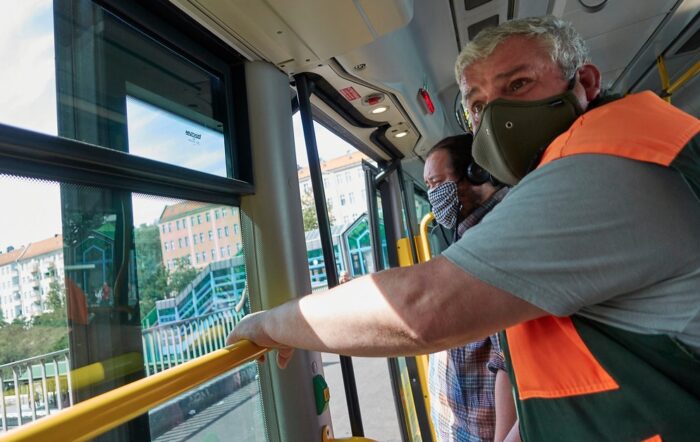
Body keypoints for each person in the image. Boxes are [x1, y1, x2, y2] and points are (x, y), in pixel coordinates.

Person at [229, 16, 700, 440]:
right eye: (477, 105)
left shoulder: (604, 166)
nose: (494, 116)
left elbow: (422, 309)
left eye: (517, 84)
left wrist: (272, 322)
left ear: (586, 83)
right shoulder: (602, 155)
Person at [423, 134, 512, 441]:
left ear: (476, 172)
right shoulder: (471, 236)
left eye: (437, 183)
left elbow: (510, 364)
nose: (433, 195)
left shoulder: (495, 239)